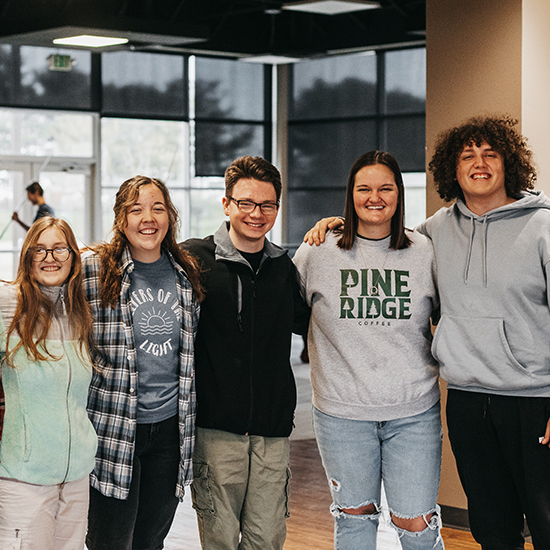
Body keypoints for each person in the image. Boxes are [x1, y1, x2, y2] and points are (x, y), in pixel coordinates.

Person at [305, 116, 550, 549]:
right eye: (467, 156)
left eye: (490, 154)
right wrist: (333, 223)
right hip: (468, 400)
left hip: (533, 399)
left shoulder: (539, 227)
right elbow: (369, 248)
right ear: (450, 171)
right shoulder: (436, 231)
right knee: (492, 527)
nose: (479, 164)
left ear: (508, 163)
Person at [293, 150, 443, 549]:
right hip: (342, 415)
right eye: (364, 188)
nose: (374, 197)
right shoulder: (317, 251)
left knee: (417, 526)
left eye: (385, 188)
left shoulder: (424, 251)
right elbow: (287, 316)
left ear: (399, 193)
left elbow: (448, 319)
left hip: (413, 413)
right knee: (355, 522)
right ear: (350, 194)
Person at [182, 155, 310, 550]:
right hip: (216, 432)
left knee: (267, 539)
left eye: (267, 204)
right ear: (226, 204)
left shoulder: (283, 267)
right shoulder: (195, 260)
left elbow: (313, 321)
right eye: (246, 203)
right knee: (219, 541)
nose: (257, 213)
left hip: (272, 433)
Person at [82, 175, 204, 550]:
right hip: (114, 429)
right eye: (136, 209)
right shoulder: (93, 271)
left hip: (170, 431)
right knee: (110, 540)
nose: (147, 218)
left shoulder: (186, 274)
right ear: (121, 219)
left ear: (170, 217)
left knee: (151, 540)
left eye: (157, 208)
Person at [0, 216, 97, 550]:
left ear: (73, 256)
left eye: (59, 249)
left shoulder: (80, 313)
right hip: (24, 481)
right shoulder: (9, 304)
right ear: (27, 258)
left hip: (76, 479)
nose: (49, 257)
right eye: (39, 250)